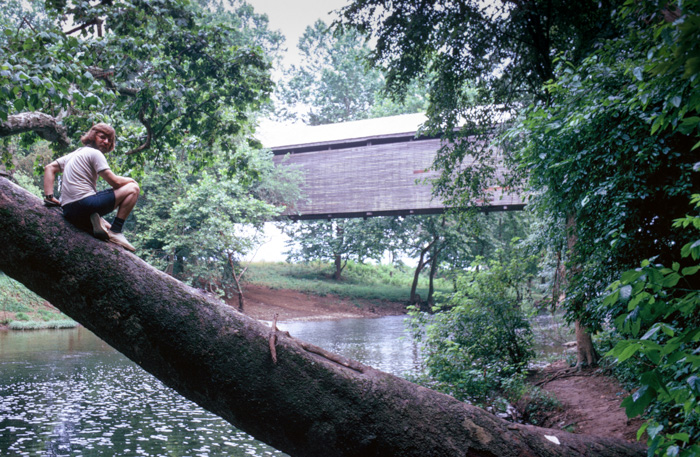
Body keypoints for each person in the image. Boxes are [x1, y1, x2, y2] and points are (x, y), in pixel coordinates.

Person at [43, 123, 140, 252]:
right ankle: (116, 231)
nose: (106, 142)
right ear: (93, 136)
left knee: (105, 226)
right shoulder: (95, 153)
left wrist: (49, 197)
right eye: (102, 137)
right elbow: (115, 182)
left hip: (68, 210)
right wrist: (132, 180)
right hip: (85, 203)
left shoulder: (75, 153)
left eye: (109, 140)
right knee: (133, 188)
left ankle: (101, 224)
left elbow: (49, 168)